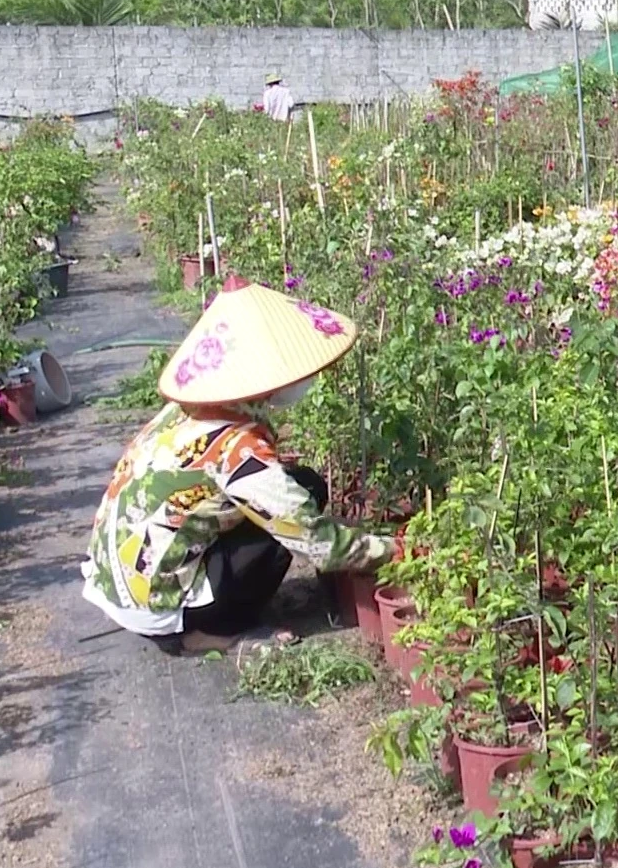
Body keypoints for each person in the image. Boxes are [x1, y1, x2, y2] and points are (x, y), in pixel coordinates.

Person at [81, 277, 394, 655]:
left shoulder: (184, 412)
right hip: (154, 600)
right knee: (282, 531)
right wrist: (396, 549)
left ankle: (195, 608)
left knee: (302, 484)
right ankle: (210, 633)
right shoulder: (236, 448)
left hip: (118, 578)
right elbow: (317, 542)